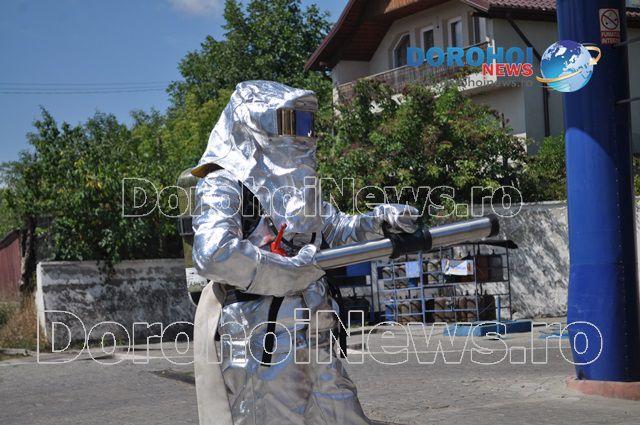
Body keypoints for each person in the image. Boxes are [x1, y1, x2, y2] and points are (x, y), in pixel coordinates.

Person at [192, 81, 419, 425]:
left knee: (342, 416)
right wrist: (293, 272)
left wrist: (378, 221)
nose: (304, 135)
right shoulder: (223, 183)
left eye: (308, 124)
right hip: (264, 339)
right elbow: (213, 253)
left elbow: (336, 229)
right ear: (257, 122)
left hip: (316, 331)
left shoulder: (298, 185)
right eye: (293, 123)